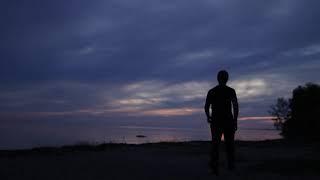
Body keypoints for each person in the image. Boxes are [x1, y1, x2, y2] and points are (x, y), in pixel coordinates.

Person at [204, 70, 239, 175]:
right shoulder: (231, 91)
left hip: (216, 121)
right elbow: (236, 106)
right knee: (230, 144)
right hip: (228, 121)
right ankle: (231, 166)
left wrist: (208, 116)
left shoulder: (211, 91)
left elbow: (206, 106)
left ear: (217, 78)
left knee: (215, 144)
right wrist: (235, 120)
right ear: (227, 78)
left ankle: (214, 168)